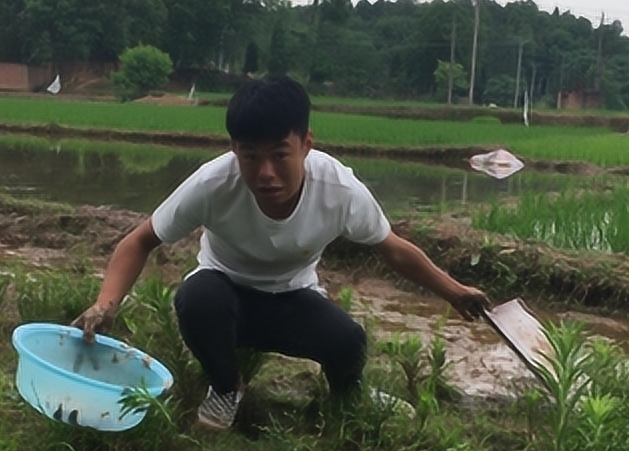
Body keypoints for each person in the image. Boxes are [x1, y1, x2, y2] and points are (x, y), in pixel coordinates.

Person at [72, 75, 488, 430]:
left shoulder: (339, 190)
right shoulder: (212, 184)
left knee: (349, 342)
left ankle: (349, 393)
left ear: (306, 144)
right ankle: (225, 386)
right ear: (234, 148)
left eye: (279, 155)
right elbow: (140, 240)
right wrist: (105, 305)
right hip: (225, 293)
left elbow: (393, 249)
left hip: (292, 299)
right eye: (250, 156)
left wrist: (455, 292)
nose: (265, 172)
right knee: (196, 299)